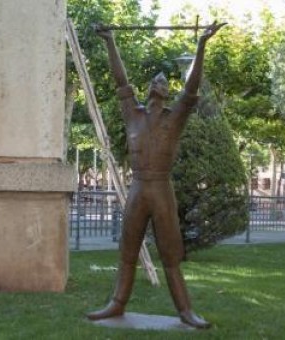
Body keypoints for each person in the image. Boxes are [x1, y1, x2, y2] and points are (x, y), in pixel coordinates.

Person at [86, 22, 226, 329]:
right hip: (138, 188)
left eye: (163, 82)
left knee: (170, 253)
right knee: (127, 250)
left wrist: (202, 44)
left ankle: (185, 311)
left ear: (166, 92)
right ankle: (116, 304)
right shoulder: (132, 115)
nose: (157, 83)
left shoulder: (174, 119)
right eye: (154, 80)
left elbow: (191, 89)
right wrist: (110, 41)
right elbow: (120, 81)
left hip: (161, 190)